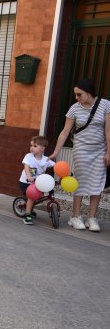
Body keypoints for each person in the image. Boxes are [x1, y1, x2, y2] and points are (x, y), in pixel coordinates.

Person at [50, 78, 110, 232]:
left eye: (79, 95)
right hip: (81, 149)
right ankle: (75, 216)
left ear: (89, 93)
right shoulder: (74, 108)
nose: (76, 98)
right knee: (81, 182)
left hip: (100, 150)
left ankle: (92, 218)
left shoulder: (106, 105)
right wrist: (56, 152)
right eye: (75, 95)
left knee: (97, 183)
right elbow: (64, 132)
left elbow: (108, 131)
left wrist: (109, 152)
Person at [19, 136, 55, 225]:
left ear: (42, 148)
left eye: (34, 146)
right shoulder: (29, 156)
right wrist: (29, 176)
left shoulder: (46, 160)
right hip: (26, 182)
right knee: (32, 197)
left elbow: (57, 166)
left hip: (38, 183)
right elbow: (26, 167)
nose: (31, 148)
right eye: (31, 145)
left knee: (45, 192)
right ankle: (27, 215)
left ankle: (30, 208)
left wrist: (65, 173)